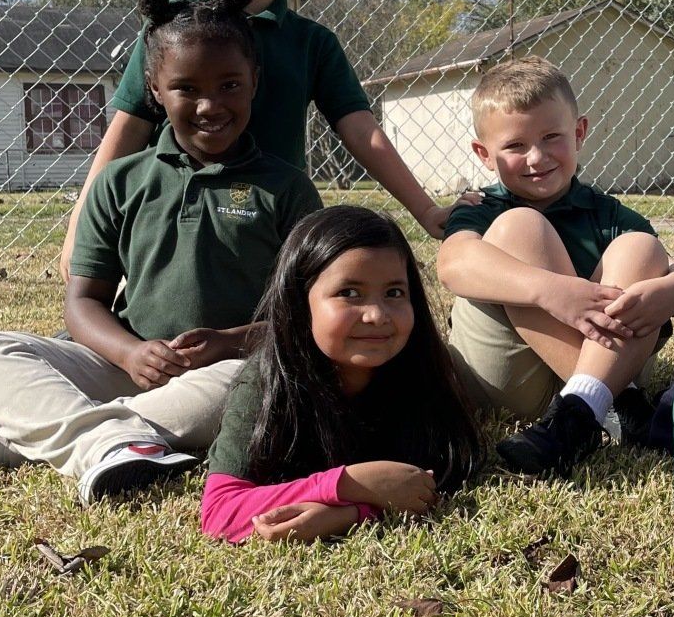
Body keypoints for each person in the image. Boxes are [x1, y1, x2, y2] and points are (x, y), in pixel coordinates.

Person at [0, 0, 321, 504]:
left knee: (253, 386)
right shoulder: (121, 181)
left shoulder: (285, 188)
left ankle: (16, 443)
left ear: (254, 81)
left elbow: (309, 317)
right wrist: (129, 354)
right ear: (154, 87)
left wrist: (226, 342)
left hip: (224, 370)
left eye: (229, 85)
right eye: (187, 88)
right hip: (123, 367)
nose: (209, 105)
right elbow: (82, 303)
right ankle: (114, 442)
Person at [57, 0, 454, 281]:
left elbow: (362, 131)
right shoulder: (169, 31)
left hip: (271, 228)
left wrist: (426, 209)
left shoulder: (311, 43)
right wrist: (80, 226)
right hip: (171, 233)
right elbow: (125, 131)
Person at [434, 55, 674, 477]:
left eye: (551, 137)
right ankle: (620, 403)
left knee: (640, 247)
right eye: (516, 146)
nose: (537, 157)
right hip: (511, 377)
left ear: (579, 133)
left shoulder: (604, 212)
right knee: (522, 228)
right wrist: (550, 291)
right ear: (485, 154)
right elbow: (452, 264)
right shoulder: (483, 207)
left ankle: (581, 413)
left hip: (588, 380)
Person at [199, 205, 482, 543]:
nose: (377, 315)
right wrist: (345, 483)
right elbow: (219, 513)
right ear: (300, 303)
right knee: (173, 419)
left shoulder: (423, 371)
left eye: (394, 292)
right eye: (349, 293)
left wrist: (349, 514)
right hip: (219, 381)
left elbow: (424, 485)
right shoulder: (261, 382)